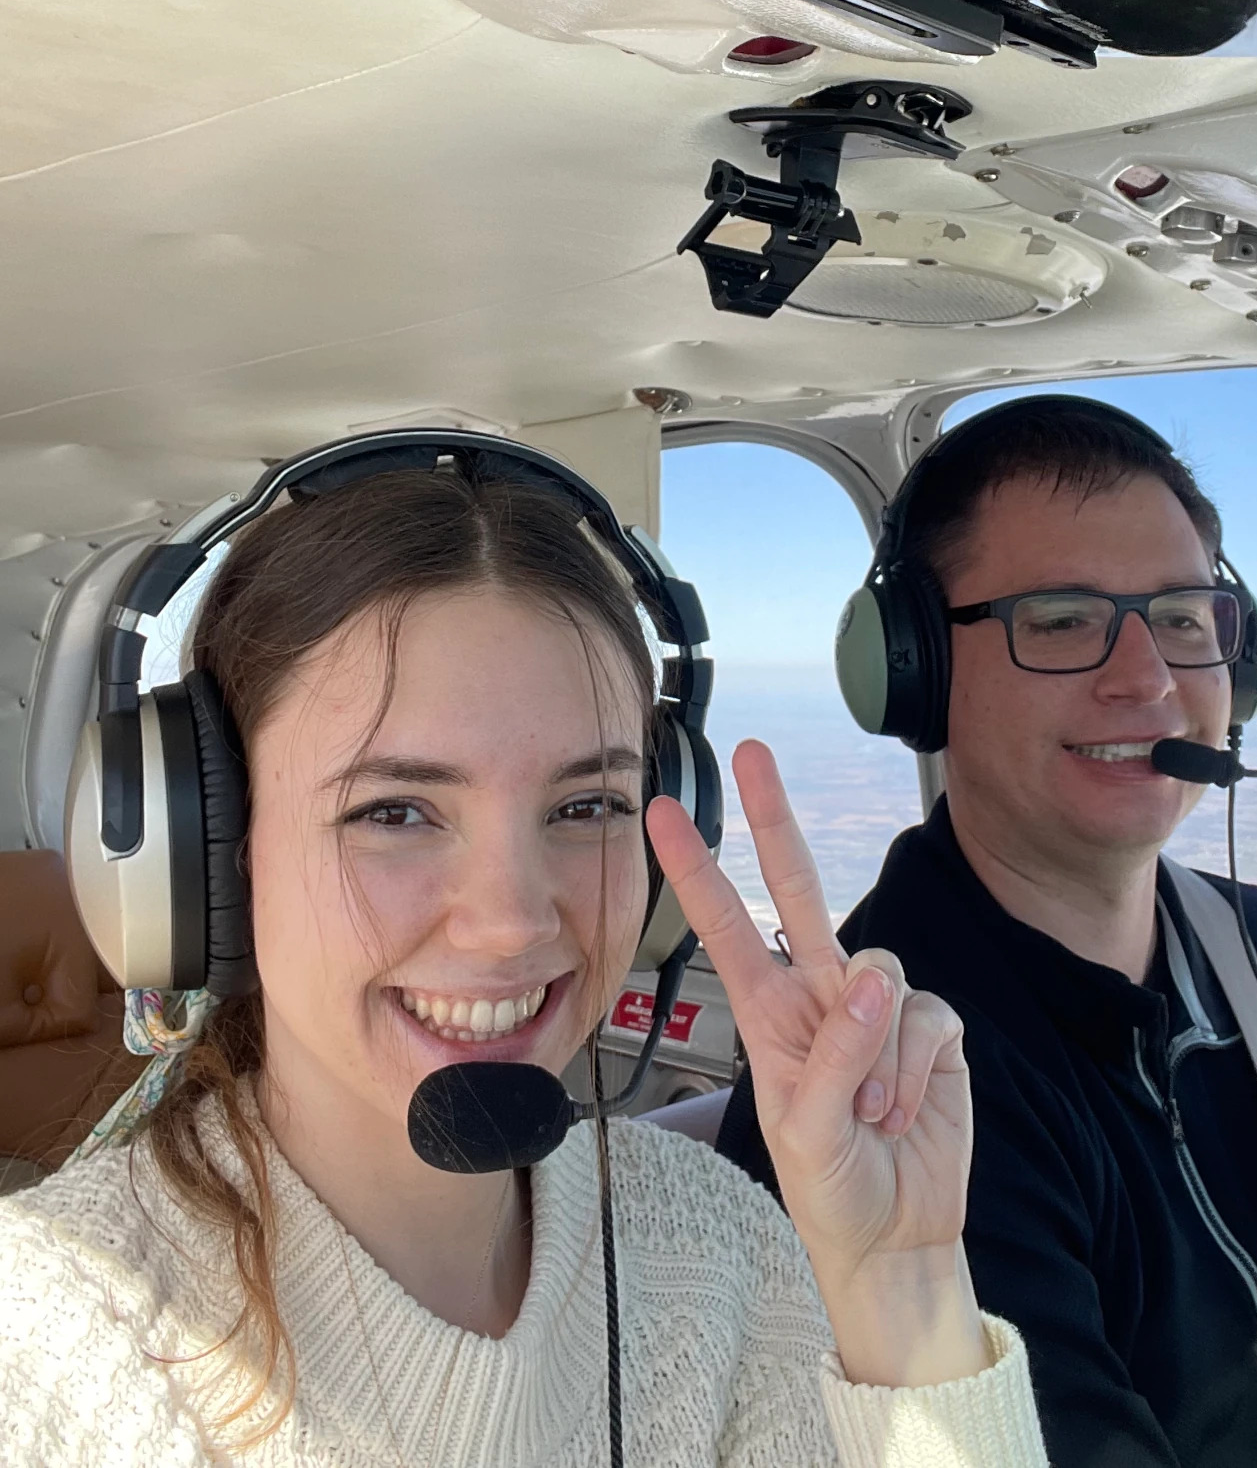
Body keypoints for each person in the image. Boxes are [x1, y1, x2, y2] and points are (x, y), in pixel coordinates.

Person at [0, 442, 1048, 1466]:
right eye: (395, 811)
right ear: (208, 856)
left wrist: (900, 1290)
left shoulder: (712, 1241)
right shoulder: (52, 1336)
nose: (511, 922)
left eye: (587, 805)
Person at [715, 395, 1257, 1468]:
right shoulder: (885, 1088)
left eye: (1183, 618)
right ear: (914, 670)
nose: (1147, 679)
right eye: (1061, 619)